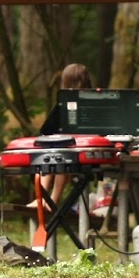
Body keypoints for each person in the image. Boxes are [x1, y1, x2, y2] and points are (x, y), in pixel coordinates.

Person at [34, 63, 95, 212]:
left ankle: (50, 200)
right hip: (75, 147)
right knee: (52, 155)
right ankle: (43, 200)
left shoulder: (65, 103)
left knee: (58, 157)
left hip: (79, 149)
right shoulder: (94, 100)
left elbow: (47, 129)